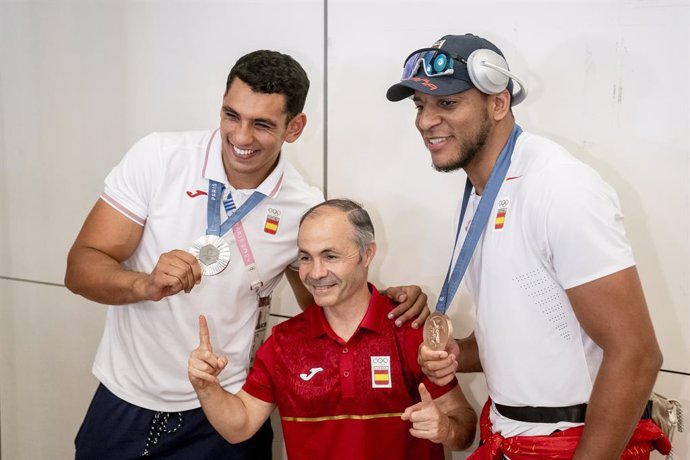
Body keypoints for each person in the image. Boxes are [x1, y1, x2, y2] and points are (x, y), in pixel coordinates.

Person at [65, 50, 429, 459]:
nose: (240, 137)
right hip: (126, 397)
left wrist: (392, 305)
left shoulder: (302, 205)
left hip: (227, 410)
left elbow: (326, 304)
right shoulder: (158, 157)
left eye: (261, 124)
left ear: (294, 127)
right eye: (231, 115)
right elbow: (81, 267)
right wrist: (143, 283)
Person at [386, 34, 671, 459]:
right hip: (506, 435)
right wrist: (458, 353)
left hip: (571, 441)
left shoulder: (560, 187)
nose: (426, 121)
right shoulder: (482, 190)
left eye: (447, 104)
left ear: (498, 104)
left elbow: (637, 353)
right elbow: (532, 323)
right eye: (420, 106)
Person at [188, 199, 477, 459]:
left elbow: (463, 425)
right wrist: (207, 387)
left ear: (367, 254)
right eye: (305, 257)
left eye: (330, 256)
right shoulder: (283, 342)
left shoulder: (408, 328)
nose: (315, 273)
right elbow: (239, 427)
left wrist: (445, 429)